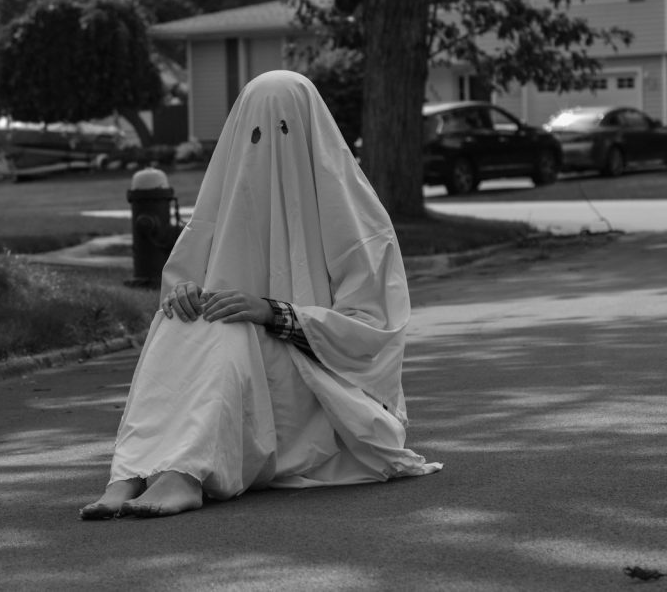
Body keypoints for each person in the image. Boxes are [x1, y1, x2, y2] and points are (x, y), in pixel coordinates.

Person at [80, 70, 442, 519]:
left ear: (312, 137)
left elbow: (373, 335)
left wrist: (275, 314)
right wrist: (184, 293)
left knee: (229, 326)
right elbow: (183, 280)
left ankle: (183, 475)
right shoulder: (218, 210)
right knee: (182, 318)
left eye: (284, 131)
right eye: (254, 135)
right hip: (239, 374)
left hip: (319, 389)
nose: (268, 148)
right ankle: (130, 474)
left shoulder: (361, 223)